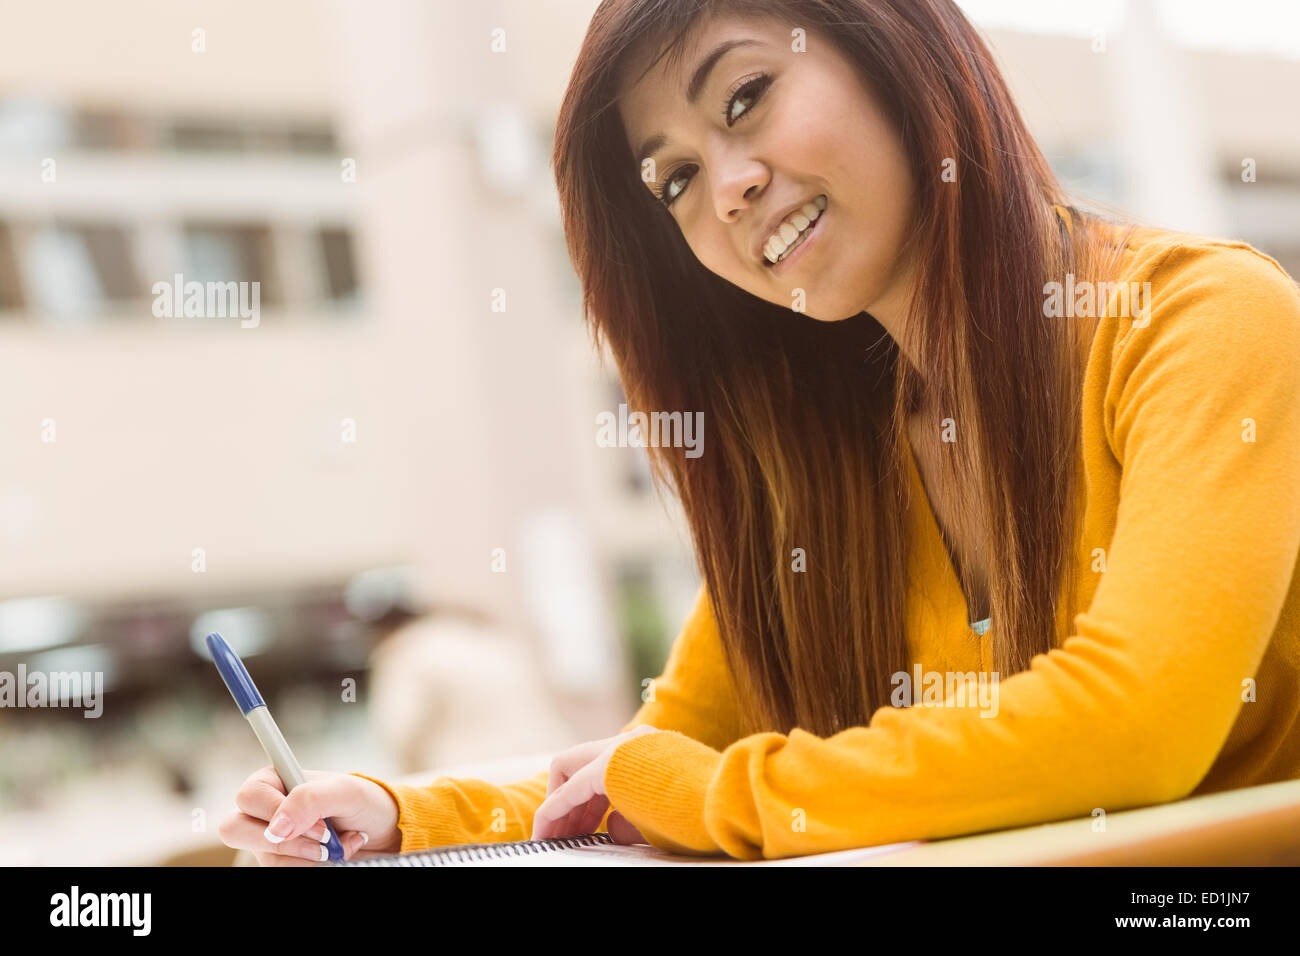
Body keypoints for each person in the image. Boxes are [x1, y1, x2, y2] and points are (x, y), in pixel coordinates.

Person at [219, 0, 1300, 864]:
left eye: (744, 97)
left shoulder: (1202, 319)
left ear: (891, 47)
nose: (727, 189)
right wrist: (402, 813)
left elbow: (1134, 727)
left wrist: (715, 796)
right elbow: (651, 760)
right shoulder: (823, 467)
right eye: (675, 179)